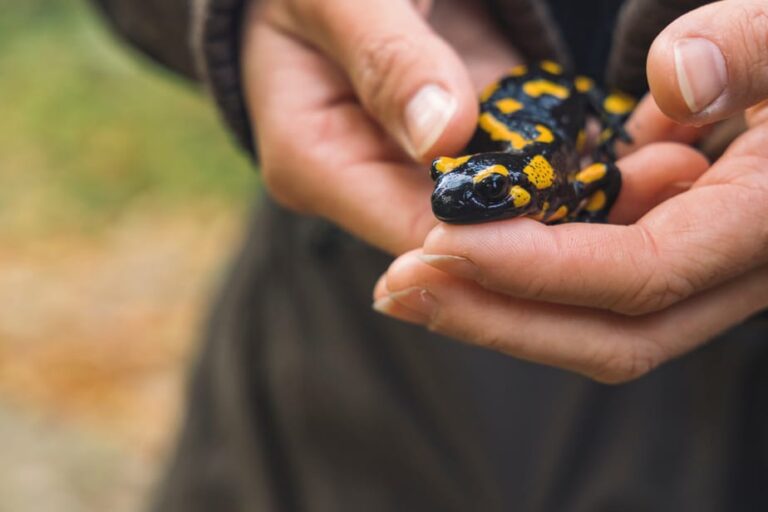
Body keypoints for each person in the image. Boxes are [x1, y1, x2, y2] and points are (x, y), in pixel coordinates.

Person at [93, 0, 768, 510]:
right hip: (337, 327)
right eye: (451, 179)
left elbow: (600, 177)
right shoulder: (517, 177)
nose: (454, 194)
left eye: (485, 190)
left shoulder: (556, 176)